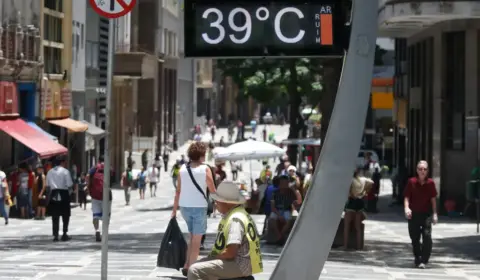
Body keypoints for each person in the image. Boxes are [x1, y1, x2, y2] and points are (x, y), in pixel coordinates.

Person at [187, 181, 263, 280]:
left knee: (195, 270)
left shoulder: (235, 220)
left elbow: (230, 253)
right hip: (244, 263)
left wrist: (211, 259)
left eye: (217, 201)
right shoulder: (239, 214)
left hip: (240, 265)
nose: (215, 203)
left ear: (226, 203)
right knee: (202, 265)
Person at [171, 142, 216, 276]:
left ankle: (186, 264)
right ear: (202, 155)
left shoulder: (182, 169)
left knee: (192, 236)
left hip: (184, 207)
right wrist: (220, 203)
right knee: (197, 239)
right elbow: (212, 190)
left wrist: (174, 210)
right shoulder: (205, 169)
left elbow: (178, 191)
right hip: (199, 207)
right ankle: (192, 268)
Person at [404, 160, 438, 269]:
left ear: (427, 171)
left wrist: (435, 214)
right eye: (420, 169)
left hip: (426, 214)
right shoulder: (411, 182)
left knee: (427, 236)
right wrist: (406, 208)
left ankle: (424, 260)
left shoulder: (431, 183)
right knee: (415, 237)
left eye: (424, 169)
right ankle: (417, 257)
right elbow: (407, 197)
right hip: (413, 214)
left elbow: (433, 199)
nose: (422, 171)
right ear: (417, 170)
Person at [343, 168, 373, 250]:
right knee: (358, 227)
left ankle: (345, 246)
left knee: (347, 226)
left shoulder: (350, 180)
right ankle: (359, 247)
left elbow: (349, 192)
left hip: (351, 202)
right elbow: (371, 182)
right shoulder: (362, 180)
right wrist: (365, 191)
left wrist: (352, 194)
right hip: (360, 203)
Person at [46, 156, 74, 242]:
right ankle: (64, 233)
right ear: (62, 163)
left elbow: (47, 185)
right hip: (63, 193)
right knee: (65, 214)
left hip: (54, 193)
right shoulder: (65, 171)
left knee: (55, 215)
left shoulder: (49, 172)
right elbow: (69, 184)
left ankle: (55, 235)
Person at [88, 155, 113, 242]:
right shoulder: (109, 168)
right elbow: (112, 180)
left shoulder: (94, 168)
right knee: (107, 215)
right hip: (106, 195)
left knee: (95, 215)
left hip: (95, 195)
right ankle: (104, 232)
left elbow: (88, 177)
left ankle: (97, 230)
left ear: (98, 160)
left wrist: (89, 188)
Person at [268, 175, 296, 244]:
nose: (284, 185)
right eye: (282, 183)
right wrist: (279, 215)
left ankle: (280, 235)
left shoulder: (290, 192)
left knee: (289, 220)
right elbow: (272, 207)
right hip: (277, 210)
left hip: (286, 210)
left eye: (285, 183)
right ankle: (279, 236)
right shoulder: (275, 193)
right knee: (271, 219)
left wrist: (293, 189)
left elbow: (295, 202)